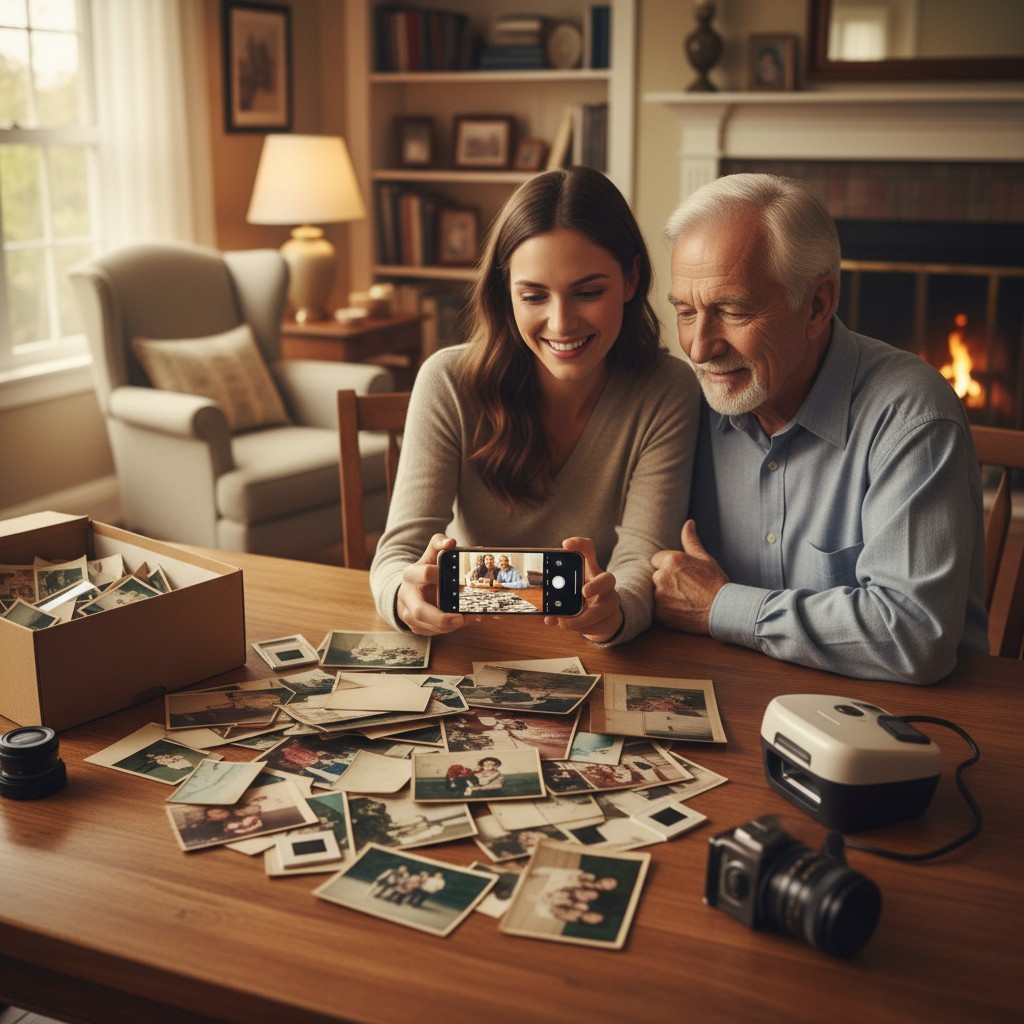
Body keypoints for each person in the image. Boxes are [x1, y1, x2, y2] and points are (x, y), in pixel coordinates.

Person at [652, 173, 988, 684]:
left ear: (816, 305)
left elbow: (914, 634)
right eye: (685, 311)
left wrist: (721, 606)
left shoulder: (912, 414)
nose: (700, 347)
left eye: (733, 311)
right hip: (737, 698)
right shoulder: (682, 403)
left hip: (912, 724)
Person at [370, 166, 700, 645]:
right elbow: (398, 553)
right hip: (471, 642)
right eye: (533, 295)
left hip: (593, 652)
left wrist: (617, 611)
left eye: (589, 292)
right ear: (506, 292)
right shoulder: (446, 381)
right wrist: (404, 600)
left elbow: (641, 559)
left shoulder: (667, 389)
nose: (561, 324)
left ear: (630, 279)